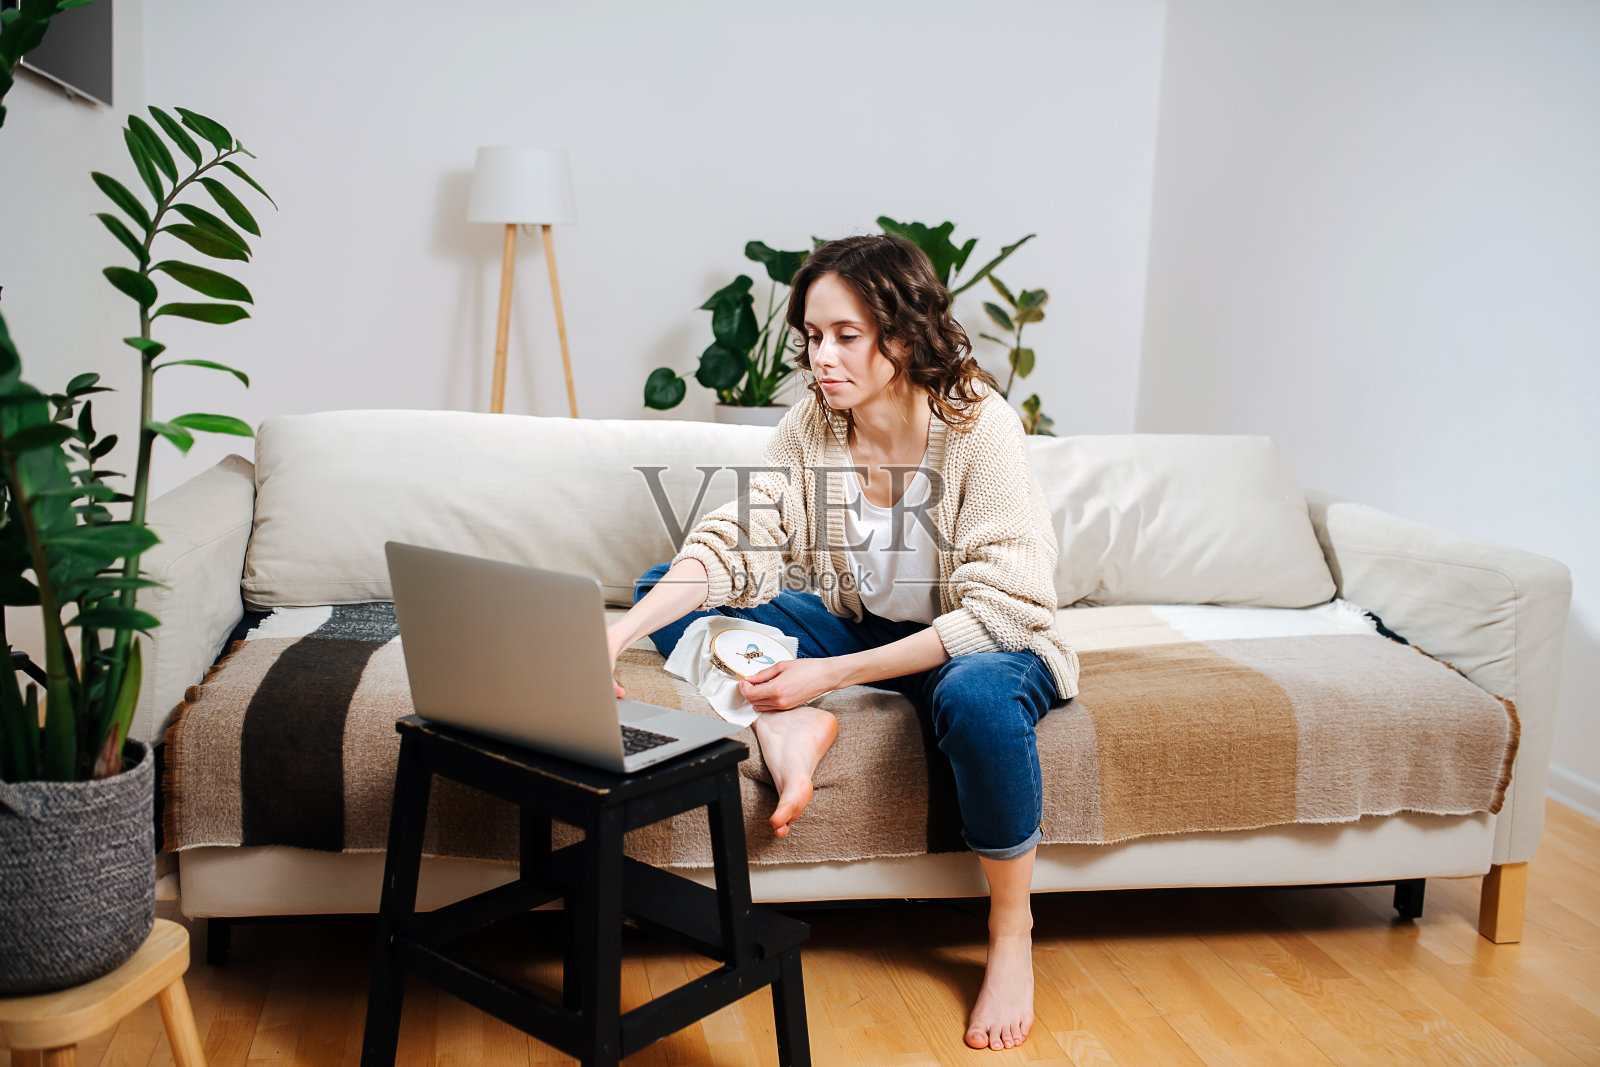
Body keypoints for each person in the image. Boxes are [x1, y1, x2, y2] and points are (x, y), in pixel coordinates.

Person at [605, 234, 1079, 1052]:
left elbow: (1006, 606)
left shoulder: (979, 424)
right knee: (661, 588)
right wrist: (616, 638)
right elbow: (739, 538)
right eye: (814, 336)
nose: (823, 357)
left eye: (846, 335)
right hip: (862, 622)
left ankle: (1009, 932)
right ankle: (783, 723)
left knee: (971, 701)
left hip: (983, 643)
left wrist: (827, 670)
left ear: (902, 332)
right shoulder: (814, 424)